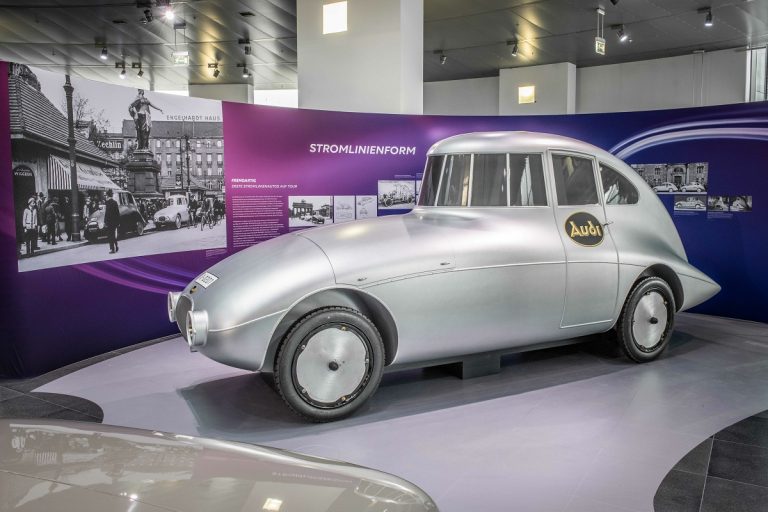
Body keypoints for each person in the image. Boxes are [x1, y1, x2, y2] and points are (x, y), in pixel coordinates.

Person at [104, 189, 121, 254]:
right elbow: (117, 213)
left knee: (110, 235)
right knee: (113, 235)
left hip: (109, 222)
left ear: (108, 195)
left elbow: (107, 213)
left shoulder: (107, 203)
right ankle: (116, 246)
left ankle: (112, 249)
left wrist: (105, 221)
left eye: (106, 195)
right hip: (114, 222)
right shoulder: (115, 202)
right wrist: (118, 222)